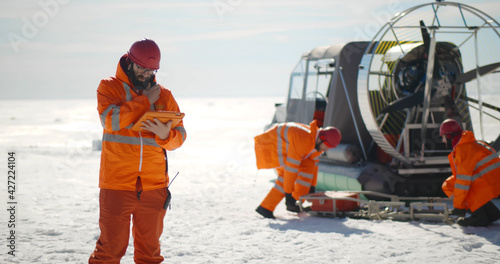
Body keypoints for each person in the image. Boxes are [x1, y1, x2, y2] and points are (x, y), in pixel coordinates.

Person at [89, 38, 186, 263]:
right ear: (129, 62)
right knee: (109, 250)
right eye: (142, 68)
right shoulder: (109, 87)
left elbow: (179, 137)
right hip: (117, 184)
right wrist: (144, 101)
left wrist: (165, 135)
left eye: (152, 70)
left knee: (150, 254)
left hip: (154, 187)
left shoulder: (165, 96)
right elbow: (110, 121)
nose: (146, 74)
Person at [254, 120, 341, 219]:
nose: (326, 150)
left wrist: (312, 187)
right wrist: (288, 194)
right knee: (284, 177)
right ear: (322, 139)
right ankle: (266, 208)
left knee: (309, 164)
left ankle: (297, 201)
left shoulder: (314, 140)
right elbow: (291, 169)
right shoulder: (304, 140)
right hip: (271, 145)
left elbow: (314, 163)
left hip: (283, 146)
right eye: (328, 146)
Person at [440, 118, 500, 227]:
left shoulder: (464, 149)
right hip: (492, 182)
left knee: (458, 186)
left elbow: (463, 181)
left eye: (443, 137)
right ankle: (491, 213)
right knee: (449, 183)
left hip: (490, 183)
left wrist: (459, 207)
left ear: (449, 136)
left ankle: (479, 217)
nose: (443, 141)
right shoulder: (468, 144)